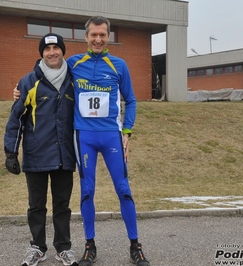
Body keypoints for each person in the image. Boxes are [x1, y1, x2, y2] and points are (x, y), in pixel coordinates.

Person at [13, 16, 150, 266]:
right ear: (86, 37)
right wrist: (20, 88)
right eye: (93, 35)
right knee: (87, 191)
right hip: (83, 136)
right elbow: (44, 70)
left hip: (111, 136)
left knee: (124, 190)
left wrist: (127, 132)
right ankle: (89, 246)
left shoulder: (119, 65)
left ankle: (135, 246)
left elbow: (130, 100)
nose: (98, 39)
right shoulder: (74, 63)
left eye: (103, 35)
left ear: (108, 37)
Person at [4, 33, 78, 266]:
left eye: (56, 48)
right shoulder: (28, 82)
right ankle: (37, 247)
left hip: (65, 155)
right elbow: (16, 118)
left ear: (63, 51)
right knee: (36, 206)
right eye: (47, 49)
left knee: (62, 206)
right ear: (41, 53)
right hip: (36, 155)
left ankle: (63, 248)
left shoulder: (75, 81)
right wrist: (11, 152)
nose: (52, 52)